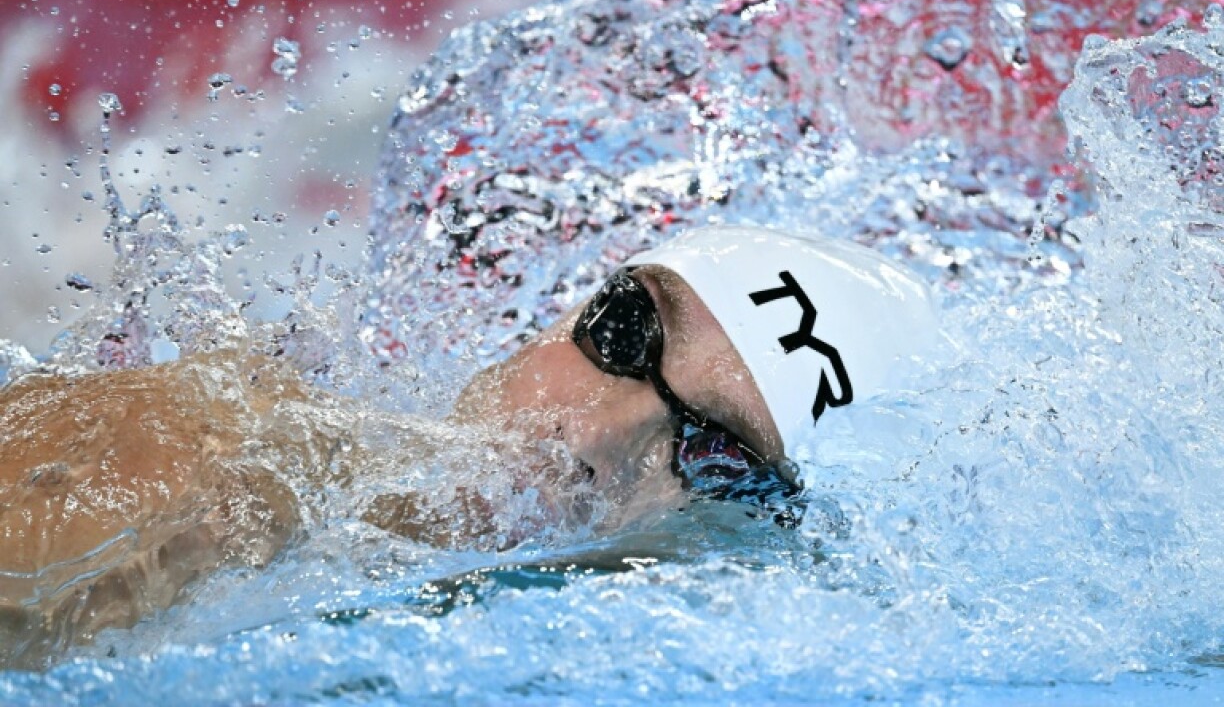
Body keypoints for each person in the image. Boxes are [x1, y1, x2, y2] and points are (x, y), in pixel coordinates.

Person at [0, 225, 936, 666]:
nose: (594, 438)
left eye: (715, 456)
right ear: (569, 304)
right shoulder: (218, 451)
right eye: (624, 337)